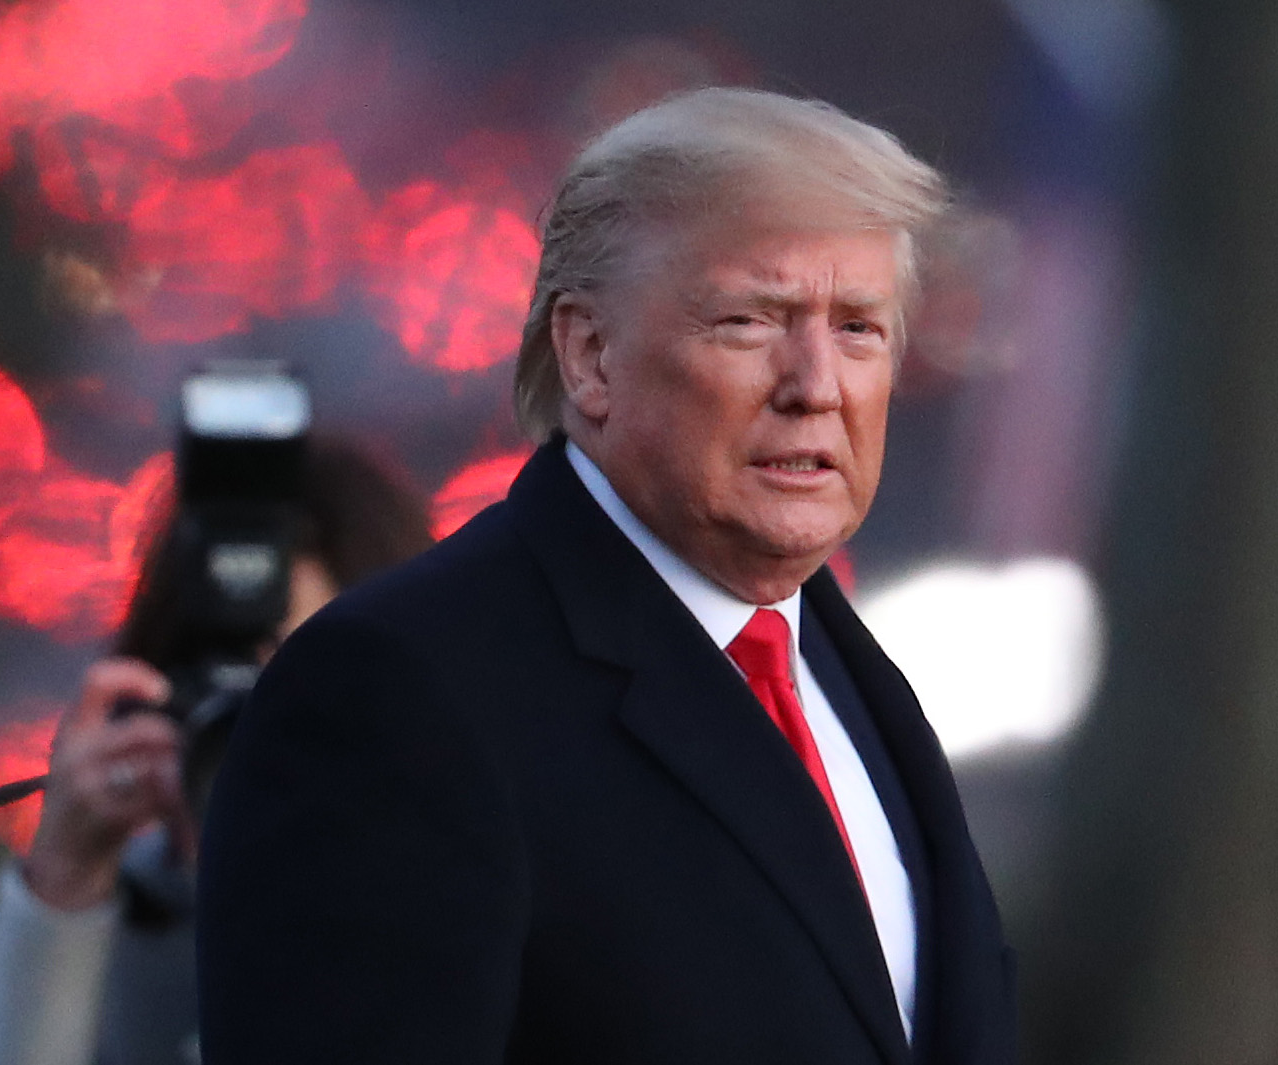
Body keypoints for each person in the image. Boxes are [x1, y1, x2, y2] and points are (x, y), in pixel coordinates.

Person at [196, 88, 1017, 1064]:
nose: (816, 385)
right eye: (750, 319)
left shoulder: (849, 672)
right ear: (589, 354)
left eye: (858, 328)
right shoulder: (398, 691)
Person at [0, 437, 434, 1065]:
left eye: (304, 680)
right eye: (226, 685)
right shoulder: (113, 931)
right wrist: (62, 888)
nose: (258, 729)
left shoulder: (484, 907)